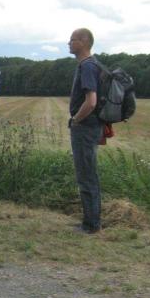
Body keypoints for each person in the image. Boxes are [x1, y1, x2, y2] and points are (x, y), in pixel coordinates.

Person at [68, 28, 103, 234]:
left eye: (72, 40)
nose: (69, 43)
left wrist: (76, 120)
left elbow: (91, 102)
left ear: (82, 42)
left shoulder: (87, 66)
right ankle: (91, 220)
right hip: (90, 127)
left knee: (86, 175)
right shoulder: (93, 64)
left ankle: (91, 225)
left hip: (85, 128)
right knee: (88, 174)